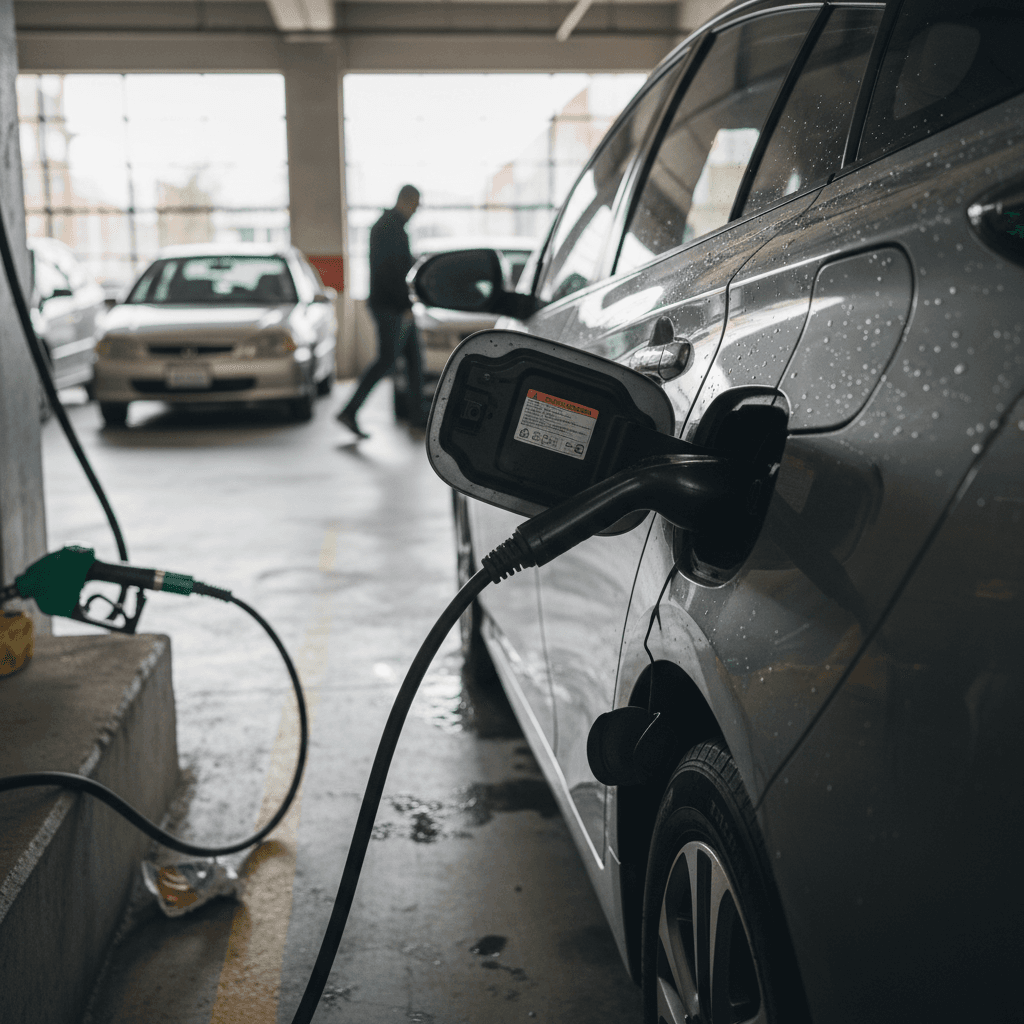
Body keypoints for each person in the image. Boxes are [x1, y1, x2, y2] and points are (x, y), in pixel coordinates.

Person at [337, 184, 426, 438]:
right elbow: (390, 272)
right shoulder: (389, 228)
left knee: (414, 360)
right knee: (387, 361)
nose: (416, 211)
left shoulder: (390, 227)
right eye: (415, 205)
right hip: (391, 307)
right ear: (406, 201)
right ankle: (350, 410)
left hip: (394, 306)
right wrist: (405, 306)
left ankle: (418, 418)